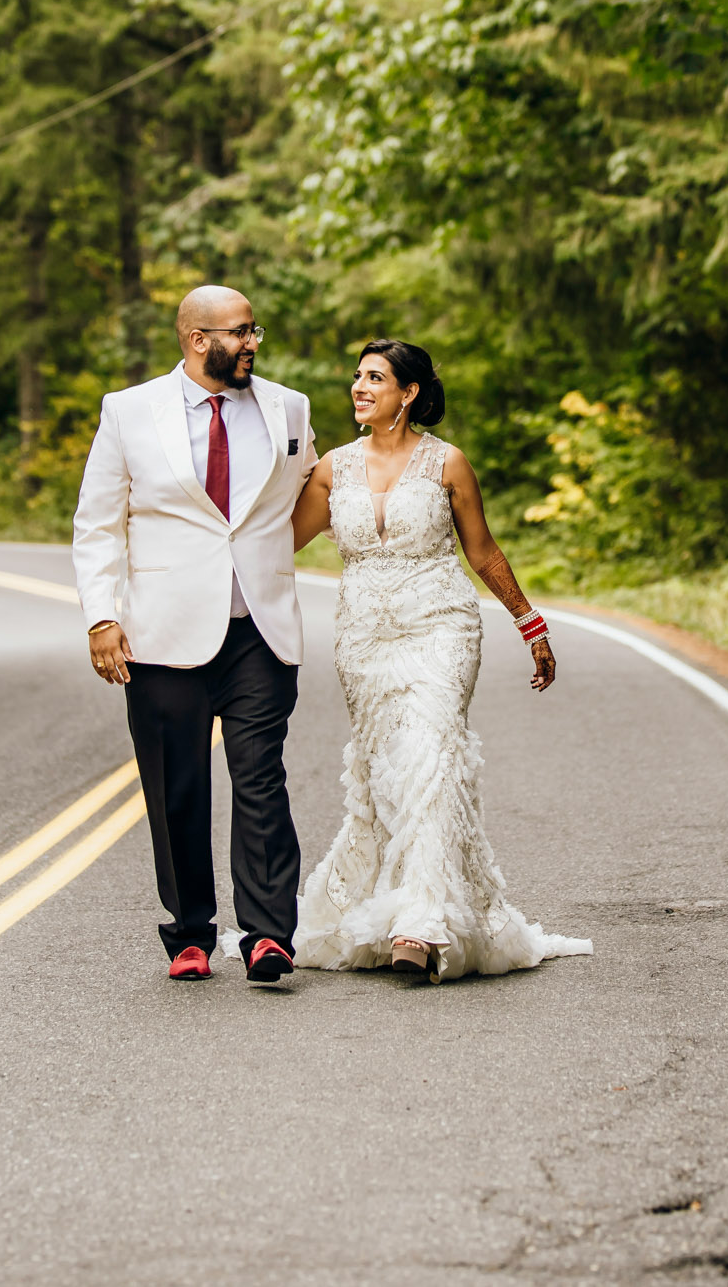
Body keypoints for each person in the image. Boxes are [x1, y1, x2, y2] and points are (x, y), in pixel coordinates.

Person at [285, 339, 592, 982]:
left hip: (442, 627)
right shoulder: (330, 470)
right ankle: (380, 903)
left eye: (376, 378)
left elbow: (482, 552)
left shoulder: (447, 463)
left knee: (432, 751)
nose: (359, 388)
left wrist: (530, 624)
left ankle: (421, 922)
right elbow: (275, 548)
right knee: (383, 772)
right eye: (357, 377)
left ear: (411, 392)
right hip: (362, 637)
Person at [71, 285, 317, 984]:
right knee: (176, 785)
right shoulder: (127, 412)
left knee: (260, 778)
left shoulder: (288, 407)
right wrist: (101, 616)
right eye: (239, 333)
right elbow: (97, 522)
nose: (252, 344)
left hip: (259, 631)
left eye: (254, 331)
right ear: (195, 338)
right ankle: (190, 933)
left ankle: (269, 932)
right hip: (162, 634)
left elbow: (308, 493)